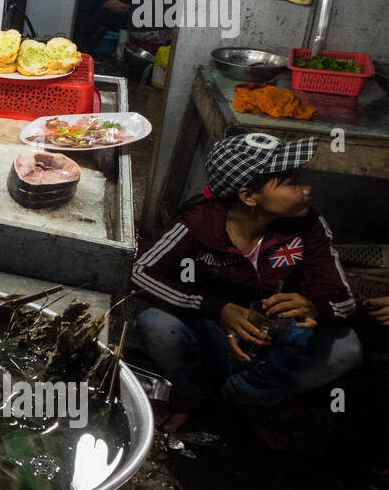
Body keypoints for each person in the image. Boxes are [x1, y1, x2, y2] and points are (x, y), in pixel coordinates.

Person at [132, 133, 362, 439]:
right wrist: (217, 308)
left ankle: (244, 395)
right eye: (290, 182)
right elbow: (139, 272)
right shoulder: (198, 223)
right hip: (210, 333)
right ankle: (193, 394)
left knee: (348, 346)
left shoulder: (308, 226)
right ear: (248, 196)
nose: (305, 189)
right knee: (155, 324)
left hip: (274, 340)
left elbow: (343, 298)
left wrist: (314, 307)